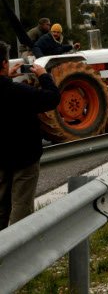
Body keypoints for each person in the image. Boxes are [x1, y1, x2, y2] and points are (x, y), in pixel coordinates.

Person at [0, 41, 61, 229]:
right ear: (4, 63)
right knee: (21, 205)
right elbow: (52, 98)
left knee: (1, 206)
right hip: (25, 157)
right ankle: (18, 250)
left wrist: (6, 78)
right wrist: (44, 76)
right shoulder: (19, 92)